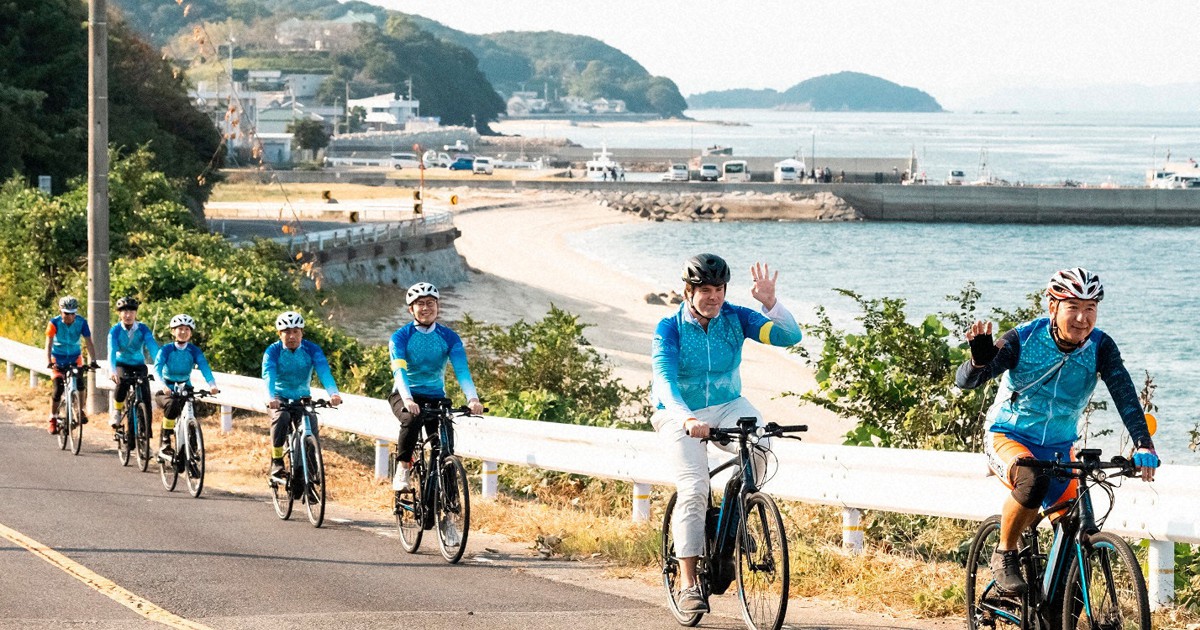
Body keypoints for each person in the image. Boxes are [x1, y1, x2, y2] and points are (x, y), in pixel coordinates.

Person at [955, 267, 1159, 595]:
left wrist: (1143, 444)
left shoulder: (1100, 346)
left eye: (1090, 308)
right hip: (1008, 436)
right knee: (1031, 482)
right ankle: (1004, 552)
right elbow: (967, 382)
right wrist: (979, 362)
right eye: (1072, 307)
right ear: (1052, 306)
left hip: (1060, 447)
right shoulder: (1024, 339)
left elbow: (1124, 393)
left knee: (1077, 541)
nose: (1082, 317)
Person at [651, 254, 803, 614]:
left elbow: (789, 336)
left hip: (728, 403)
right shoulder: (669, 327)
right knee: (694, 488)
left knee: (762, 445)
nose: (714, 297)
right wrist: (686, 418)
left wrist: (770, 303)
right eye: (705, 290)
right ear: (688, 291)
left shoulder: (736, 317)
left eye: (719, 289)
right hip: (678, 411)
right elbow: (664, 381)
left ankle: (731, 520)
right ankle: (689, 584)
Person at [388, 282, 484, 492]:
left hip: (435, 397)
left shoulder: (449, 337)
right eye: (420, 304)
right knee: (412, 419)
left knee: (444, 445)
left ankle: (448, 495)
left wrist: (473, 398)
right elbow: (399, 371)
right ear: (411, 309)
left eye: (430, 303)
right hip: (405, 395)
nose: (425, 308)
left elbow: (462, 371)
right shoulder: (400, 337)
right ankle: (403, 468)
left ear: (438, 306)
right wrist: (408, 399)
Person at [262, 311, 342, 479]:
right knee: (281, 418)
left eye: (296, 331)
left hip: (302, 397)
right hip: (278, 397)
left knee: (311, 424)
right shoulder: (273, 351)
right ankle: (277, 461)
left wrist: (333, 393)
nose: (291, 336)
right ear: (279, 334)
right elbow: (268, 375)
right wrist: (270, 398)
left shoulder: (311, 349)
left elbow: (324, 371)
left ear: (302, 332)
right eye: (287, 332)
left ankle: (312, 476)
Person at [153, 314, 219, 460]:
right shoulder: (166, 350)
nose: (183, 332)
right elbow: (156, 369)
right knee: (172, 405)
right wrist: (163, 386)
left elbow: (204, 367)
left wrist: (212, 384)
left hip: (185, 387)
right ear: (173, 331)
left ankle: (193, 453)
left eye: (187, 329)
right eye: (179, 329)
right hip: (167, 388)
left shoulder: (194, 350)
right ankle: (165, 442)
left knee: (192, 414)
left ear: (191, 332)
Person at [45, 296, 99, 433]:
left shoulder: (81, 322)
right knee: (58, 389)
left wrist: (93, 360)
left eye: (73, 313)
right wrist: (49, 362)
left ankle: (80, 410)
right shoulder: (54, 323)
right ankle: (53, 418)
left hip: (75, 358)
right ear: (60, 311)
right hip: (57, 358)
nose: (70, 316)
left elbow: (88, 342)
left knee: (81, 384)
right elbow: (49, 344)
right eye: (66, 313)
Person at [108, 296, 159, 439]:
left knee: (146, 397)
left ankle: (146, 434)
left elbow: (152, 347)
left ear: (136, 313)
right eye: (124, 312)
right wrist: (113, 371)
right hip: (122, 363)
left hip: (138, 365)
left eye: (131, 311)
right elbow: (111, 351)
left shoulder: (142, 328)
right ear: (119, 313)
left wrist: (160, 364)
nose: (128, 315)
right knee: (121, 383)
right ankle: (117, 412)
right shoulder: (115, 331)